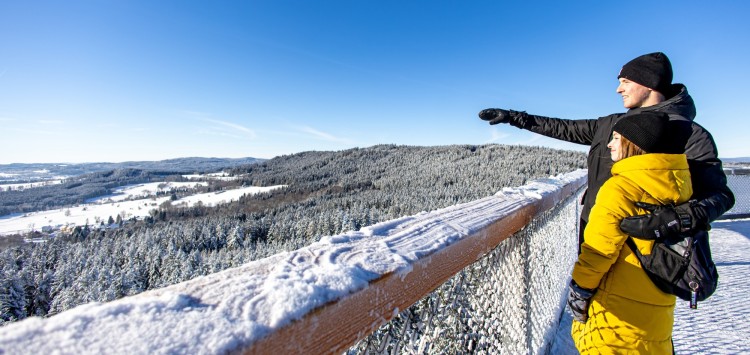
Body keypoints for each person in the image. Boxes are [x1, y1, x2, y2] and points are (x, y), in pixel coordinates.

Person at [478, 52, 734, 250]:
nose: (618, 89)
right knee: (590, 308)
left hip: (647, 248)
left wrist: (676, 219)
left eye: (625, 81)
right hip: (594, 232)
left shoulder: (689, 134)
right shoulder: (612, 124)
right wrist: (515, 118)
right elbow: (563, 128)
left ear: (650, 84)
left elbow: (719, 195)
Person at [567, 111, 689, 353]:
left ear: (632, 144)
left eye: (615, 138)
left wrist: (579, 291)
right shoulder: (677, 184)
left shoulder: (620, 188)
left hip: (616, 315)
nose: (609, 144)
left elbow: (598, 252)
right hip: (657, 304)